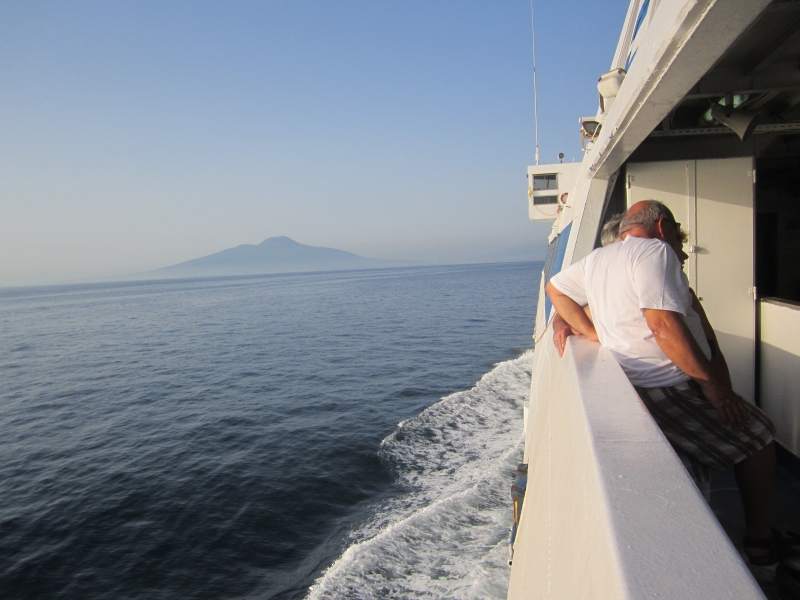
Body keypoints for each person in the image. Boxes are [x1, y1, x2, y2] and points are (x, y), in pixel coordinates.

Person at [545, 200, 792, 565]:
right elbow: (662, 325)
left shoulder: (601, 258)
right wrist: (713, 388)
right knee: (759, 437)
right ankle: (759, 542)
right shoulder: (655, 251)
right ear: (662, 226)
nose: (680, 242)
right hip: (669, 386)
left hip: (640, 385)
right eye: (676, 231)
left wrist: (590, 331)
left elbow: (555, 288)